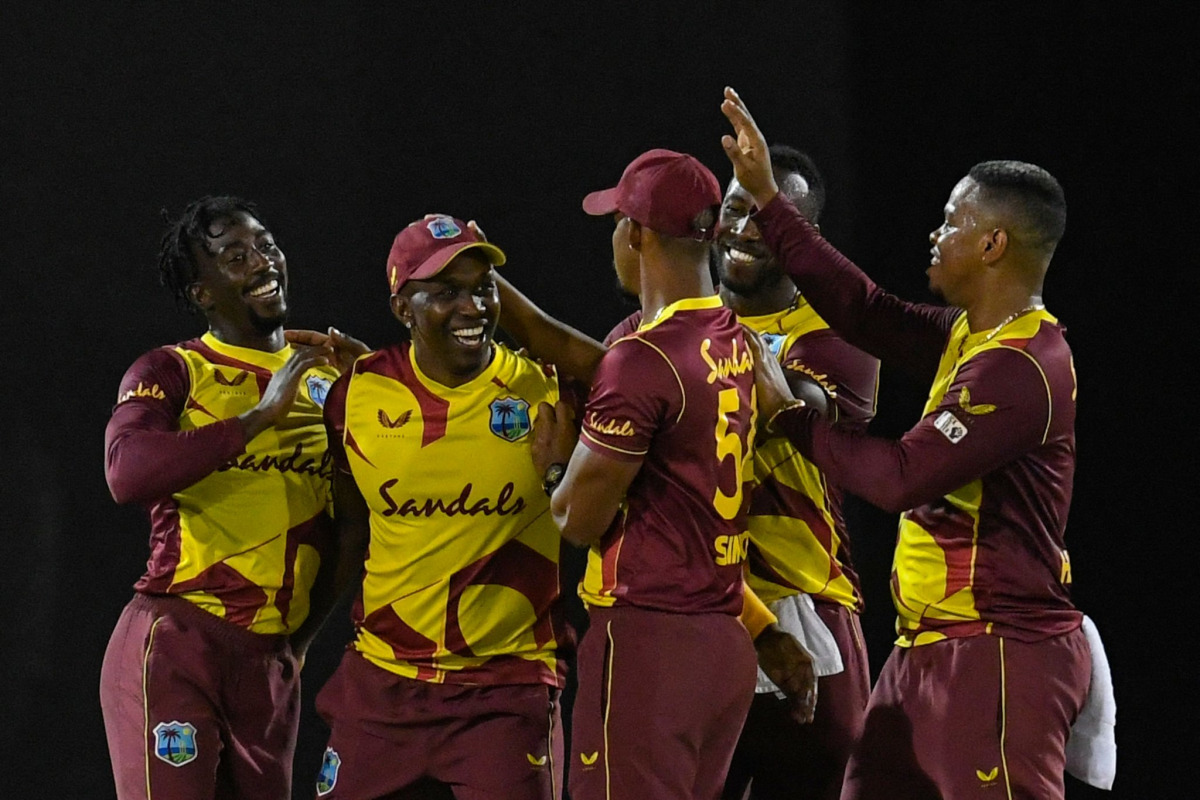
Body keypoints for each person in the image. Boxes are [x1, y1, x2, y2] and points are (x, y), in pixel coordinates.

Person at [720, 86, 1094, 799]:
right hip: (927, 647)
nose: (935, 235)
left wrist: (789, 418)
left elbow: (898, 478)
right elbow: (866, 310)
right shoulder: (972, 334)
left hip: (999, 649)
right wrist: (767, 199)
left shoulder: (1021, 366)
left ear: (992, 244)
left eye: (952, 221)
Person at [525, 148, 811, 800]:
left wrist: (554, 465)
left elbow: (577, 520)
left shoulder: (643, 358)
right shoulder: (739, 340)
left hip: (651, 644)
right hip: (725, 640)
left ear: (637, 233)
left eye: (616, 223)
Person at [603, 145, 880, 800]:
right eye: (734, 209)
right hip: (691, 610)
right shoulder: (644, 332)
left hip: (806, 602)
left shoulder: (837, 333)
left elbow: (802, 411)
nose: (747, 229)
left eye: (770, 215)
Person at [311, 214, 573, 800]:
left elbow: (596, 523)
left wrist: (563, 475)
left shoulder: (546, 389)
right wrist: (300, 638)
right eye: (448, 292)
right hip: (384, 686)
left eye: (483, 288)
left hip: (502, 691)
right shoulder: (356, 394)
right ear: (402, 308)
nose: (473, 307)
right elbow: (352, 527)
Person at [100, 195, 347, 800]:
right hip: (180, 640)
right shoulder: (174, 370)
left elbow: (355, 527)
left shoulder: (330, 380)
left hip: (268, 663)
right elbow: (126, 473)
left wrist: (297, 643)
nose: (263, 263)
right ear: (202, 293)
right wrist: (259, 418)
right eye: (236, 258)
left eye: (267, 246)